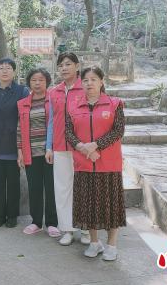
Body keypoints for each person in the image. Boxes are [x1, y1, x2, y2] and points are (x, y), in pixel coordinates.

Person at [65, 66, 126, 261]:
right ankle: (94, 242)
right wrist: (83, 148)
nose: (89, 83)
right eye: (85, 80)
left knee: (111, 206)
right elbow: (68, 132)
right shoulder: (73, 105)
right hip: (84, 164)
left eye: (93, 79)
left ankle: (112, 245)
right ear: (80, 83)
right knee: (88, 205)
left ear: (101, 81)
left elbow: (118, 131)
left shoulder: (115, 104)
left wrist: (95, 146)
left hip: (108, 164)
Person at [45, 52, 91, 246]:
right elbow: (51, 121)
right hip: (59, 147)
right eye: (61, 65)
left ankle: (87, 229)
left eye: (68, 64)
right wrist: (49, 146)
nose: (64, 68)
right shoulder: (54, 91)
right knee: (62, 189)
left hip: (81, 147)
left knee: (83, 188)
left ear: (77, 66)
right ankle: (67, 229)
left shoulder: (86, 88)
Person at [0, 58, 28, 228]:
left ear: (14, 72)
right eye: (1, 68)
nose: (5, 71)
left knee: (13, 183)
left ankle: (12, 216)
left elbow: (25, 119)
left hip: (14, 144)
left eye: (8, 68)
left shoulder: (22, 91)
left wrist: (23, 146)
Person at [17, 68, 59, 237]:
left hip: (51, 153)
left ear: (47, 82)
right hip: (31, 152)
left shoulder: (54, 100)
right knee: (34, 188)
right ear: (29, 83)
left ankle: (52, 223)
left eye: (41, 79)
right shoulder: (23, 103)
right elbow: (19, 129)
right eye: (34, 80)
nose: (37, 83)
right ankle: (35, 222)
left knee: (51, 188)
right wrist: (19, 151)